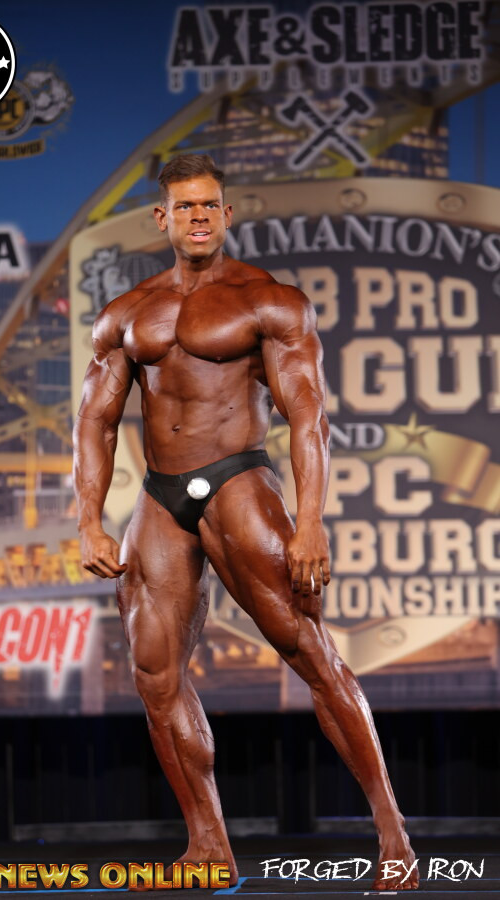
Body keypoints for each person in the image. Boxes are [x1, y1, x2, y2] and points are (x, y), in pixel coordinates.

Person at [73, 154, 418, 891]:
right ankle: (208, 847)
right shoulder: (126, 314)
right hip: (161, 495)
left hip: (237, 480)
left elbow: (308, 415)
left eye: (210, 205)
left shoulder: (270, 301)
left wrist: (311, 521)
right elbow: (94, 422)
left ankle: (393, 836)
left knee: (311, 655)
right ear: (162, 218)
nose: (198, 217)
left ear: (226, 215)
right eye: (185, 206)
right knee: (154, 675)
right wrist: (89, 522)